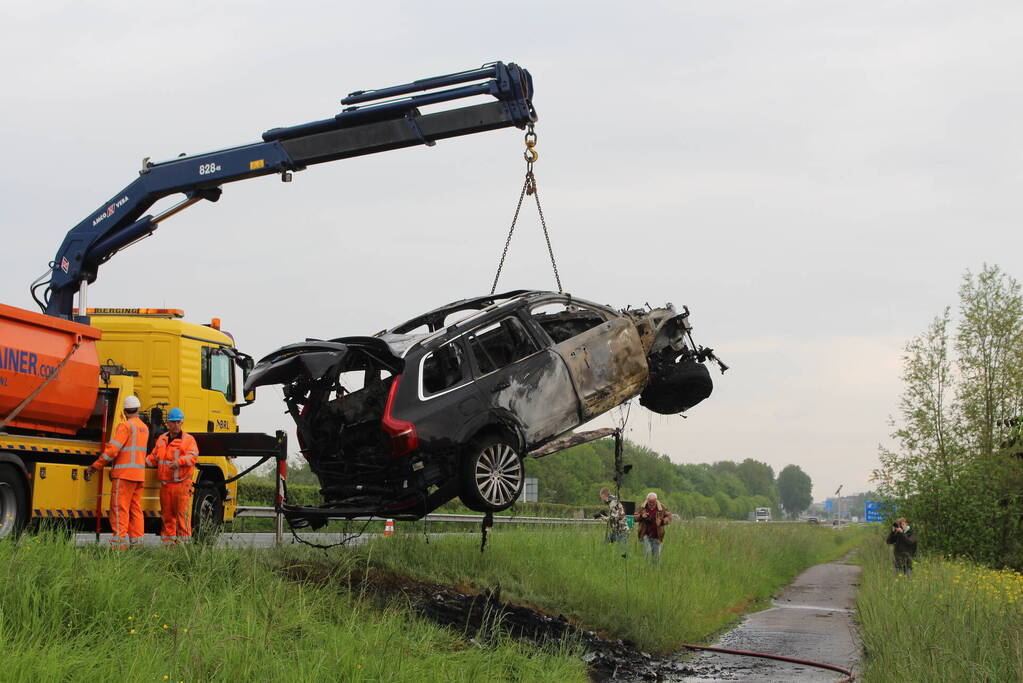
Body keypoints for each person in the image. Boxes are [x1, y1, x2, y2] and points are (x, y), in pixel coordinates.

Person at [90, 395, 149, 549]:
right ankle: (138, 544)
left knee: (119, 508)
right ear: (138, 409)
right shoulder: (144, 428)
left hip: (124, 475)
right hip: (138, 475)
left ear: (124, 412)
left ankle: (119, 544)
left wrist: (96, 465)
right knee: (135, 510)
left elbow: (113, 450)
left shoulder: (125, 426)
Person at [146, 407, 199, 545]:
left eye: (178, 422)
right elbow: (154, 457)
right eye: (173, 422)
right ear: (168, 423)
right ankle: (169, 548)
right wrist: (141, 463)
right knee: (167, 518)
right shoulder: (162, 439)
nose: (176, 425)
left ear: (182, 423)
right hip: (166, 485)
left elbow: (193, 457)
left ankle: (184, 548)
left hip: (181, 484)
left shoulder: (188, 440)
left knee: (182, 518)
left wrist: (179, 462)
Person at [635, 492, 671, 564]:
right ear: (647, 500)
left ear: (656, 500)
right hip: (645, 534)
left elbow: (669, 517)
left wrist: (662, 522)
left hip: (657, 535)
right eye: (650, 502)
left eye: (653, 502)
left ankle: (655, 572)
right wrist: (641, 516)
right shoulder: (642, 507)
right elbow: (634, 518)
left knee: (656, 557)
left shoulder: (662, 507)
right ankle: (646, 570)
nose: (651, 504)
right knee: (647, 553)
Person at [599, 487, 630, 556]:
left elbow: (615, 518)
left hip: (621, 531)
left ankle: (629, 562)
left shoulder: (613, 502)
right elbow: (615, 516)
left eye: (601, 497)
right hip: (616, 531)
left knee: (624, 552)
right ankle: (602, 556)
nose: (602, 499)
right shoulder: (613, 501)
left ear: (603, 495)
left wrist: (603, 517)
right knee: (603, 543)